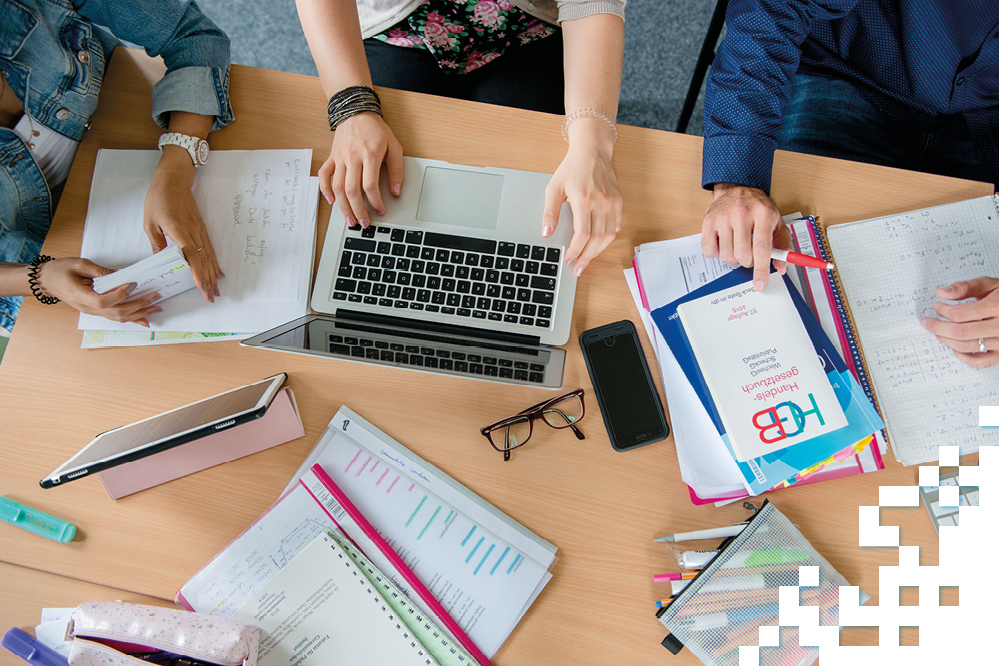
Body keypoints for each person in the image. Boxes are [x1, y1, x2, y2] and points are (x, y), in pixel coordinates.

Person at [697, 0, 999, 366]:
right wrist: (737, 180)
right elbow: (773, 8)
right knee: (781, 294)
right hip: (855, 68)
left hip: (987, 124)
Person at [295, 0, 625, 277]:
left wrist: (592, 144)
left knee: (538, 218)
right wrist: (353, 108)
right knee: (379, 226)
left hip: (524, 24)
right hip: (396, 26)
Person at [0, 0, 234, 334]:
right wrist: (40, 279)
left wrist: (176, 168)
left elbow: (192, 35)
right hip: (30, 266)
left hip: (125, 113)